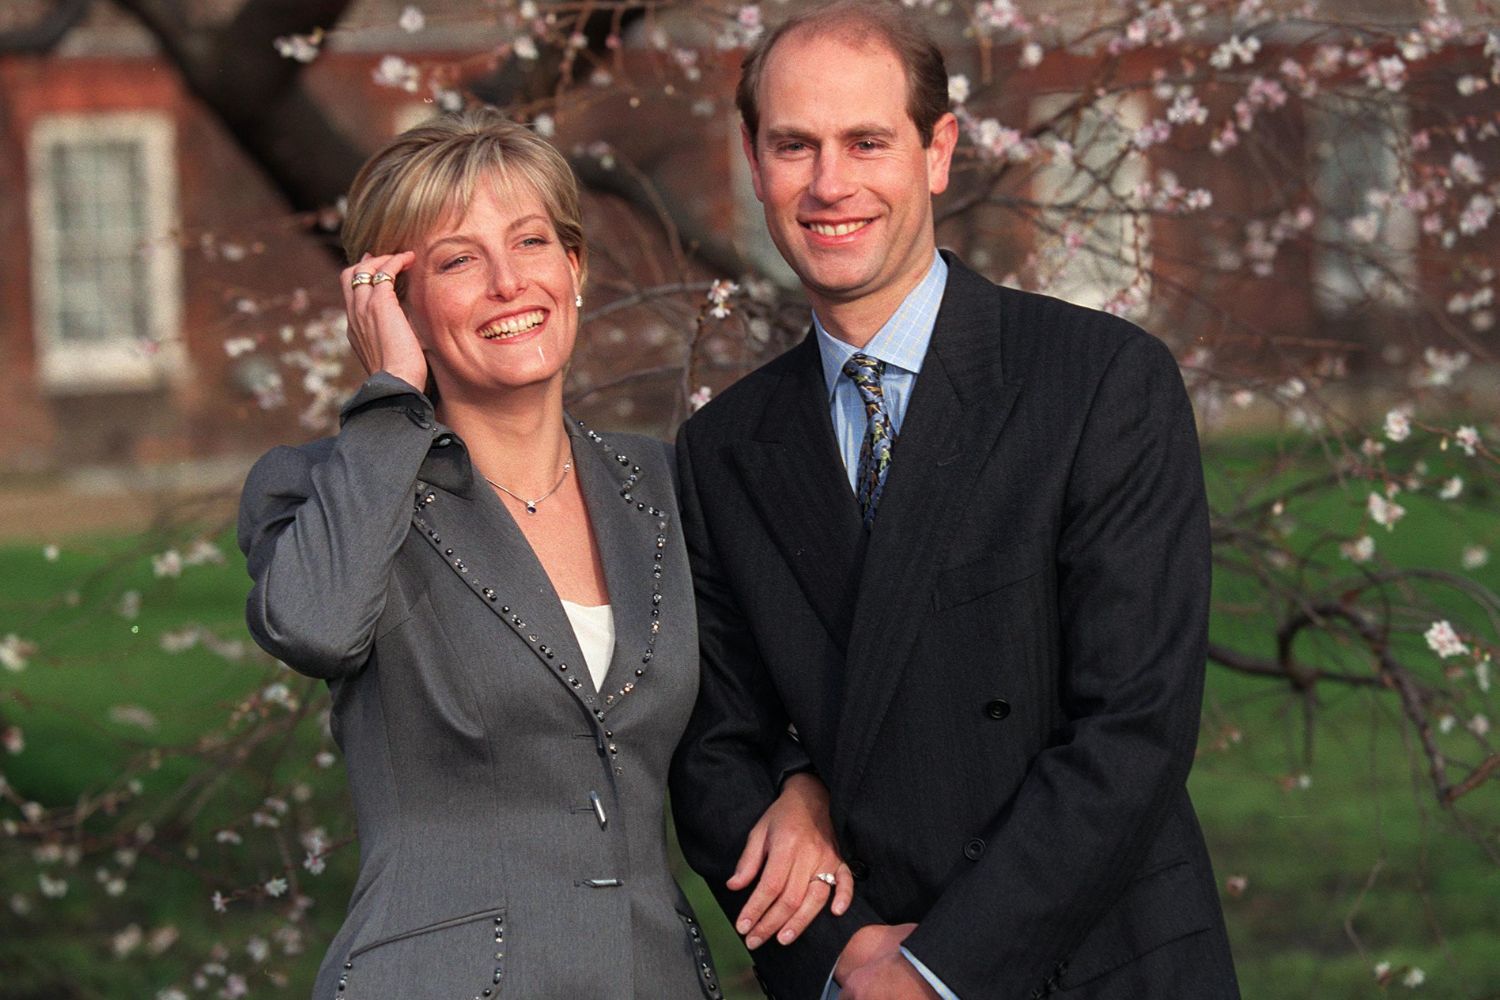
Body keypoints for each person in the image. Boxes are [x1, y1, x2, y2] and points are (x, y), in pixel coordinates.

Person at [669, 3, 1241, 998]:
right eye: (794, 146)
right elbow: (716, 743)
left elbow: (1133, 727)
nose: (829, 183)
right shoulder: (723, 451)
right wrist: (837, 949)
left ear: (938, 152)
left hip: (1095, 966)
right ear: (756, 164)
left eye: (866, 142)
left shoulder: (1100, 381)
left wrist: (936, 969)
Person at [238, 106, 850, 999]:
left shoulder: (659, 483)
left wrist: (803, 786)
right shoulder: (329, 490)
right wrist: (387, 403)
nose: (506, 283)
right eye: (454, 261)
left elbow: (746, 706)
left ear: (575, 269)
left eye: (530, 243)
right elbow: (316, 630)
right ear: (393, 301)